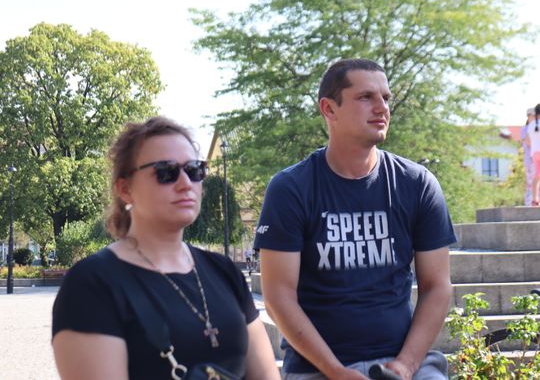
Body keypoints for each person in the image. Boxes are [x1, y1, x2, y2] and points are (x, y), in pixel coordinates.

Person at [254, 59, 456, 380]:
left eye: (385, 98)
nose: (382, 108)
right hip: (317, 369)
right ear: (329, 109)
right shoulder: (291, 188)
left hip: (403, 365)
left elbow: (437, 287)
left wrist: (405, 365)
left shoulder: (417, 184)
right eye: (366, 97)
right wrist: (335, 371)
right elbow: (279, 298)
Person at [52, 116, 280, 380]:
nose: (185, 183)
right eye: (166, 172)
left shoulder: (224, 272)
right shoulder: (91, 285)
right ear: (125, 189)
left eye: (194, 170)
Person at [521, 107, 536, 206]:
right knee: (530, 181)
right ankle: (529, 202)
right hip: (530, 159)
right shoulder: (525, 129)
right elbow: (528, 142)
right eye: (532, 116)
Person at [526, 104, 540, 206]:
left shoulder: (531, 125)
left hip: (534, 153)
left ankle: (535, 200)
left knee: (537, 175)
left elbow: (527, 141)